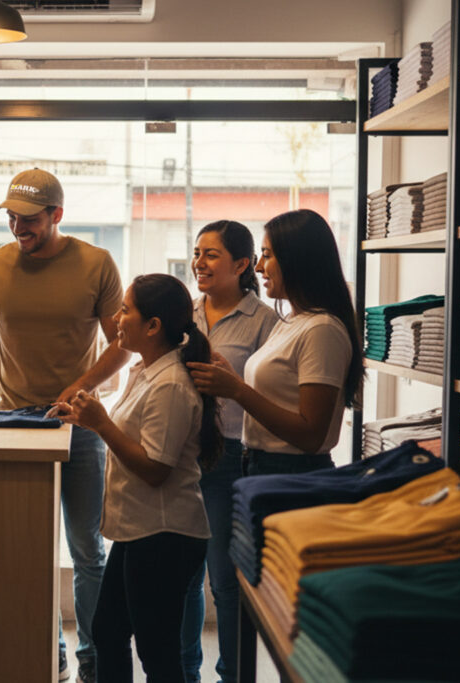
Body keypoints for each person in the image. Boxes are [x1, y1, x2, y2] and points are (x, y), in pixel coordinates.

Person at [0, 168, 128, 683]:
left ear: (57, 215)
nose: (18, 227)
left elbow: (123, 344)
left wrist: (80, 386)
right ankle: (47, 653)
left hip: (80, 427)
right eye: (11, 216)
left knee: (88, 552)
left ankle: (93, 660)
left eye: (28, 219)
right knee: (28, 552)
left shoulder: (97, 263)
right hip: (15, 425)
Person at [50, 273, 220, 683]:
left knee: (157, 653)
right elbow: (132, 437)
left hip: (165, 535)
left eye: (125, 310)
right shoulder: (147, 371)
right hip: (139, 531)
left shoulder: (171, 384)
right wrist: (87, 420)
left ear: (153, 326)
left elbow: (155, 470)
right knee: (108, 632)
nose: (115, 319)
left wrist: (101, 424)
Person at [188, 208, 364, 476]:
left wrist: (237, 390)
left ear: (297, 261)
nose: (258, 267)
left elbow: (311, 435)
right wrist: (231, 379)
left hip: (291, 471)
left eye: (267, 256)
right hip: (260, 463)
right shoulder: (292, 321)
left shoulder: (322, 329)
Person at [181, 221, 278, 683]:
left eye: (211, 254)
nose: (199, 262)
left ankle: (233, 675)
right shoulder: (184, 314)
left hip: (231, 458)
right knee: (183, 577)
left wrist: (231, 383)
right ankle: (182, 673)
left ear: (242, 265)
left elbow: (272, 398)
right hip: (182, 456)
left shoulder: (266, 322)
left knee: (224, 580)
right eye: (197, 252)